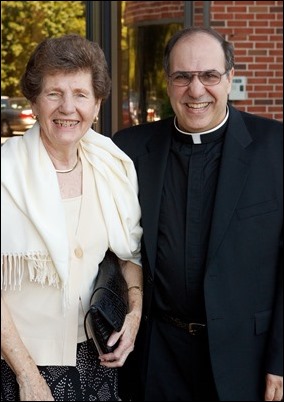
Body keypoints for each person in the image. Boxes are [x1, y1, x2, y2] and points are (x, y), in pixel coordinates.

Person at [113, 27, 283, 401]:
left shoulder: (275, 148)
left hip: (246, 358)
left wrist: (280, 359)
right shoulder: (127, 150)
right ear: (167, 81)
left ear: (229, 77)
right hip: (157, 356)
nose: (196, 90)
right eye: (182, 77)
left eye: (209, 75)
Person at [1, 34, 143, 401]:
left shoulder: (113, 167)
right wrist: (28, 378)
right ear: (34, 101)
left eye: (80, 94)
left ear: (97, 104)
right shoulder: (5, 173)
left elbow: (128, 254)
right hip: (18, 367)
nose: (68, 107)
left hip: (96, 362)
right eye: (54, 93)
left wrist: (134, 313)